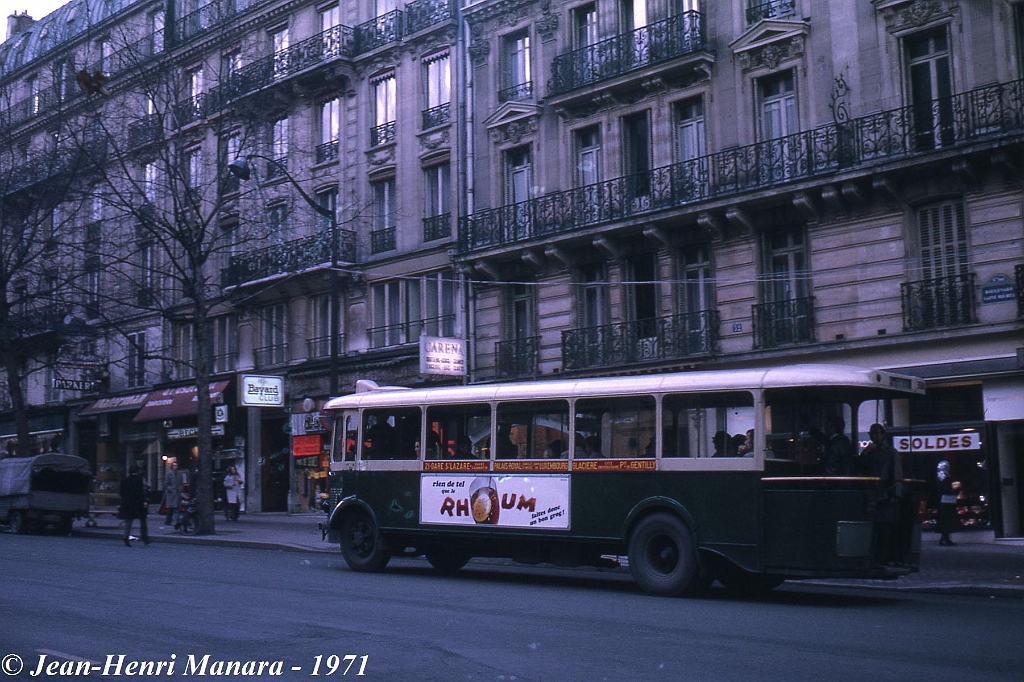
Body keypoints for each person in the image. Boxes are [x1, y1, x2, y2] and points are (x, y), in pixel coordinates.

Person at [860, 423, 904, 565]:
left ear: (883, 435)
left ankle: (885, 557)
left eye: (877, 433)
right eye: (872, 434)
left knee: (885, 528)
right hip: (873, 493)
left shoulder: (891, 452)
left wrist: (896, 494)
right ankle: (876, 557)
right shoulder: (871, 452)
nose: (874, 437)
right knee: (876, 527)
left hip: (885, 493)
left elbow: (896, 473)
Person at [119, 464, 150, 546]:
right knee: (142, 520)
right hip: (137, 503)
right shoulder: (139, 480)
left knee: (128, 521)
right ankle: (144, 537)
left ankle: (126, 537)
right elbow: (140, 493)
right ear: (137, 471)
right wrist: (144, 501)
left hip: (127, 503)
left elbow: (121, 493)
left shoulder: (124, 480)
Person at [936, 460, 959, 546]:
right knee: (946, 519)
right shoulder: (943, 475)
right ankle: (945, 538)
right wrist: (953, 490)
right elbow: (945, 487)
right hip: (946, 500)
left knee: (946, 520)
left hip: (944, 500)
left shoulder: (941, 475)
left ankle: (945, 538)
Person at [163, 460, 183, 527]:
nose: (175, 467)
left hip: (177, 493)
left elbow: (181, 483)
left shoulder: (179, 474)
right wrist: (170, 489)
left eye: (176, 465)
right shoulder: (169, 474)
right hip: (171, 493)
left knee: (176, 507)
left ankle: (176, 520)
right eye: (174, 465)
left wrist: (180, 489)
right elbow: (166, 483)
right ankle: (169, 520)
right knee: (171, 508)